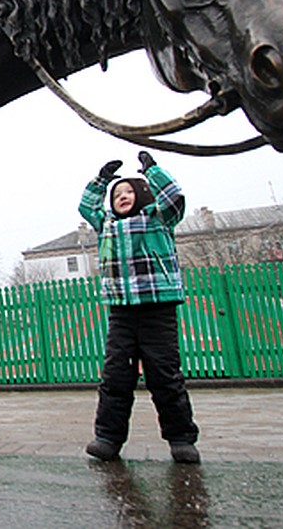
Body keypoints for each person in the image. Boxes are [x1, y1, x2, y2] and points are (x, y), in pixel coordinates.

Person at [78, 151, 200, 464]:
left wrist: (153, 171)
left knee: (164, 376)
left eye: (128, 191)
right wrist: (102, 180)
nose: (122, 197)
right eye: (117, 194)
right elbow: (86, 206)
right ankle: (107, 438)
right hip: (121, 311)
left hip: (157, 308)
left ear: (143, 194)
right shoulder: (106, 224)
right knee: (115, 377)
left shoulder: (158, 218)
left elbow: (175, 198)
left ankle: (181, 439)